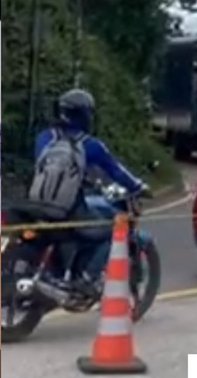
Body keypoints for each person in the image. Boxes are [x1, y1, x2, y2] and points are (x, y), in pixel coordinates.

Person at [31, 89, 149, 297]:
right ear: (85, 115)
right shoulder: (90, 145)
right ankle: (86, 278)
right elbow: (117, 171)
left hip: (37, 203)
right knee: (114, 230)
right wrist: (138, 187)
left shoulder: (44, 137)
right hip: (68, 209)